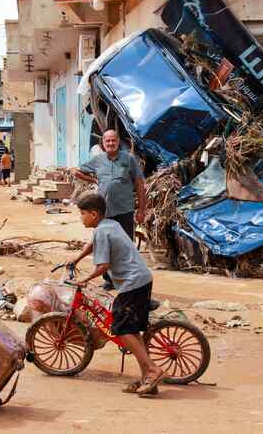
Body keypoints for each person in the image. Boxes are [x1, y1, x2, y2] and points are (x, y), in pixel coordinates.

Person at [67, 193, 164, 396]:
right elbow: (92, 245)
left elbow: (103, 266)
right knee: (132, 331)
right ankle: (147, 377)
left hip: (132, 283)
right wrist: (76, 259)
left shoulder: (103, 232)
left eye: (82, 214)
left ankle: (153, 370)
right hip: (142, 278)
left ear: (93, 214)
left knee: (119, 328)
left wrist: (84, 280)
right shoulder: (109, 225)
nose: (81, 218)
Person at [72, 130, 147, 290]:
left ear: (118, 142)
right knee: (103, 245)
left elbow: (140, 185)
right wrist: (93, 179)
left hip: (124, 210)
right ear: (103, 143)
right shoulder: (97, 160)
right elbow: (76, 171)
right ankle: (109, 279)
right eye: (108, 141)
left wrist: (141, 210)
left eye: (113, 140)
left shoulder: (129, 159)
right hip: (104, 212)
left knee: (125, 246)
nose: (111, 144)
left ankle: (127, 279)